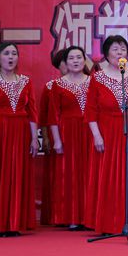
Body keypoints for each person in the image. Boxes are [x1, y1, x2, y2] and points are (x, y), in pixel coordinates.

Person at [85, 35, 128, 234]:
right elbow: (91, 111)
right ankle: (109, 223)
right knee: (109, 177)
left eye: (123, 49)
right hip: (107, 131)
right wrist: (97, 136)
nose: (119, 53)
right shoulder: (97, 78)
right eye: (115, 49)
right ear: (106, 54)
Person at [0, 42, 39, 237]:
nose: (11, 57)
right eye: (6, 53)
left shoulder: (26, 81)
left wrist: (34, 138)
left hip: (20, 131)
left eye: (14, 54)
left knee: (18, 174)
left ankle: (14, 223)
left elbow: (32, 112)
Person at [48, 46, 91, 230]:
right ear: (65, 62)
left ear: (84, 60)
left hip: (90, 131)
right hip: (68, 132)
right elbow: (53, 115)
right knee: (70, 173)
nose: (75, 61)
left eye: (79, 57)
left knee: (90, 172)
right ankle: (72, 216)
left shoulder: (94, 81)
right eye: (71, 58)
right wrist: (57, 140)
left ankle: (90, 216)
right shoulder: (57, 85)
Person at [38, 50, 67, 225]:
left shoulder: (89, 83)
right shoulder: (50, 86)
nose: (68, 64)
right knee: (59, 174)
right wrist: (46, 137)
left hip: (82, 133)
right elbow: (43, 116)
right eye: (64, 62)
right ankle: (59, 213)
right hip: (58, 132)